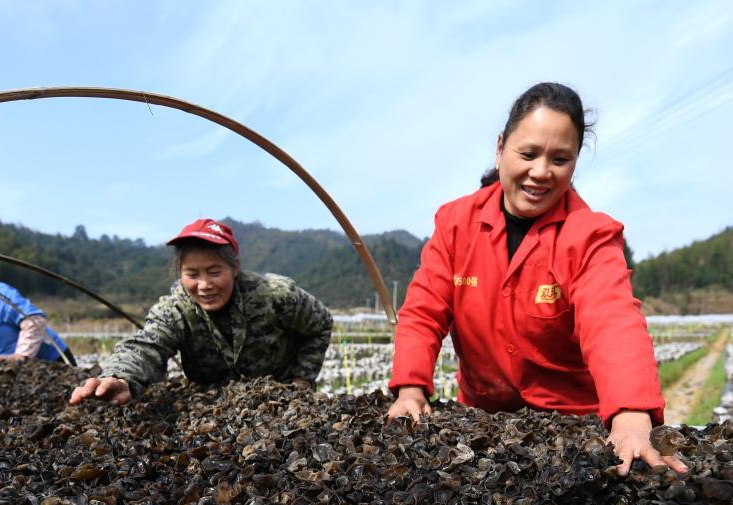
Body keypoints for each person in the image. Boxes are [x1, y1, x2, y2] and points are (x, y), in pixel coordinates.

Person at [387, 82, 687, 477]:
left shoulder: (589, 236)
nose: (541, 172)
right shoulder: (456, 223)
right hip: (483, 423)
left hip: (573, 426)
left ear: (576, 162)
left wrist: (631, 414)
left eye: (560, 159)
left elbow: (612, 320)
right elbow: (424, 309)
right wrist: (411, 387)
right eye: (527, 154)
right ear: (499, 149)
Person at [70, 218, 332, 405]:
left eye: (215, 272)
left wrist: (301, 381)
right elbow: (146, 345)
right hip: (212, 407)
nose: (204, 285)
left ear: (235, 268)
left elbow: (320, 324)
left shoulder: (276, 295)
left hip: (284, 404)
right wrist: (120, 377)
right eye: (192, 274)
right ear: (180, 273)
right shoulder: (177, 308)